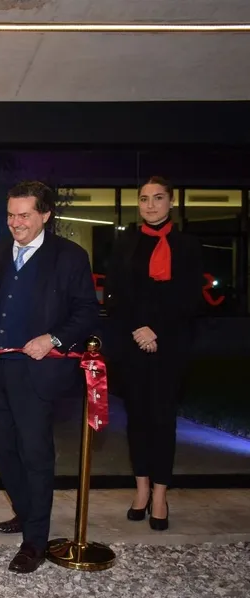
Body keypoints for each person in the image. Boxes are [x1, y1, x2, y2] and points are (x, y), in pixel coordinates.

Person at [0, 181, 98, 573]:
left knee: (36, 455)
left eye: (24, 215)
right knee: (5, 452)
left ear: (45, 215)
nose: (15, 223)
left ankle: (36, 541)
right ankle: (26, 514)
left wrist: (53, 338)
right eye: (10, 215)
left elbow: (86, 313)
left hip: (40, 375)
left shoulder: (70, 257)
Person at [105, 176, 203, 532]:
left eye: (158, 198)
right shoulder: (125, 243)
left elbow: (190, 298)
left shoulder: (188, 245)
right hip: (133, 347)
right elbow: (115, 294)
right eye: (144, 199)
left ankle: (161, 493)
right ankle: (141, 489)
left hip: (170, 347)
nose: (150, 205)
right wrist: (138, 330)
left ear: (171, 202)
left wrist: (156, 329)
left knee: (163, 422)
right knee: (137, 421)